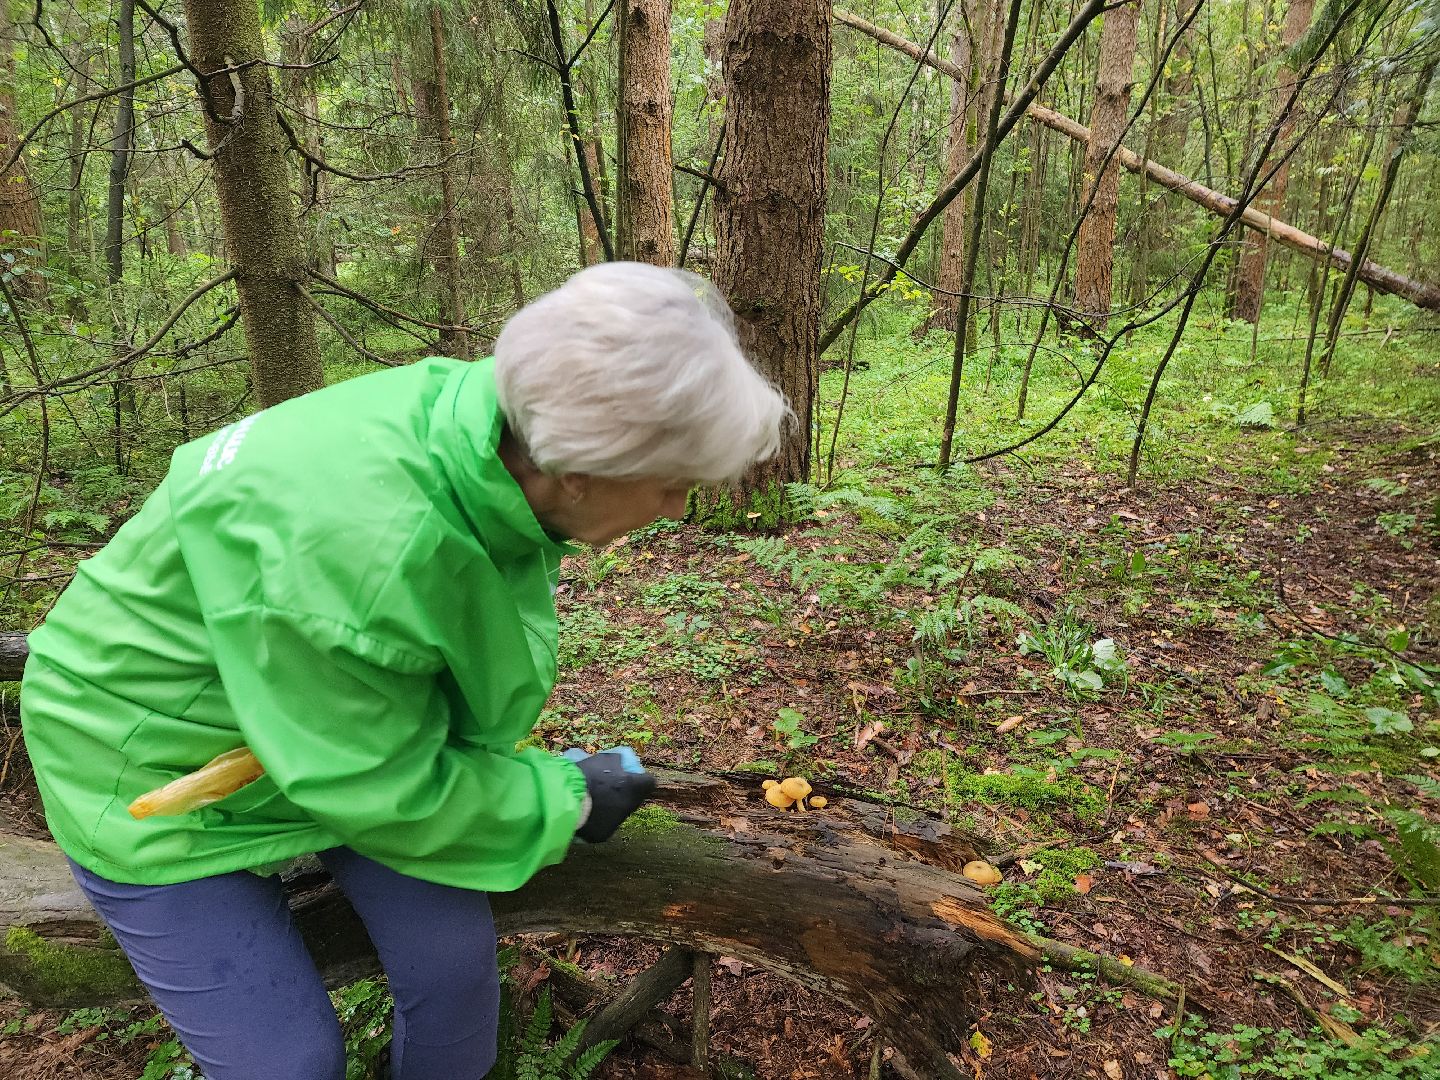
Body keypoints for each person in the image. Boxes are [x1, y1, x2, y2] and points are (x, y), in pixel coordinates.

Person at [19, 262, 788, 1080]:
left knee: (453, 976)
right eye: (673, 487)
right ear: (579, 472)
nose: (676, 510)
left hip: (320, 728)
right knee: (288, 1064)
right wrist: (560, 799)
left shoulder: (489, 423)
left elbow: (392, 689)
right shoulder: (361, 555)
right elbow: (378, 779)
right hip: (144, 758)